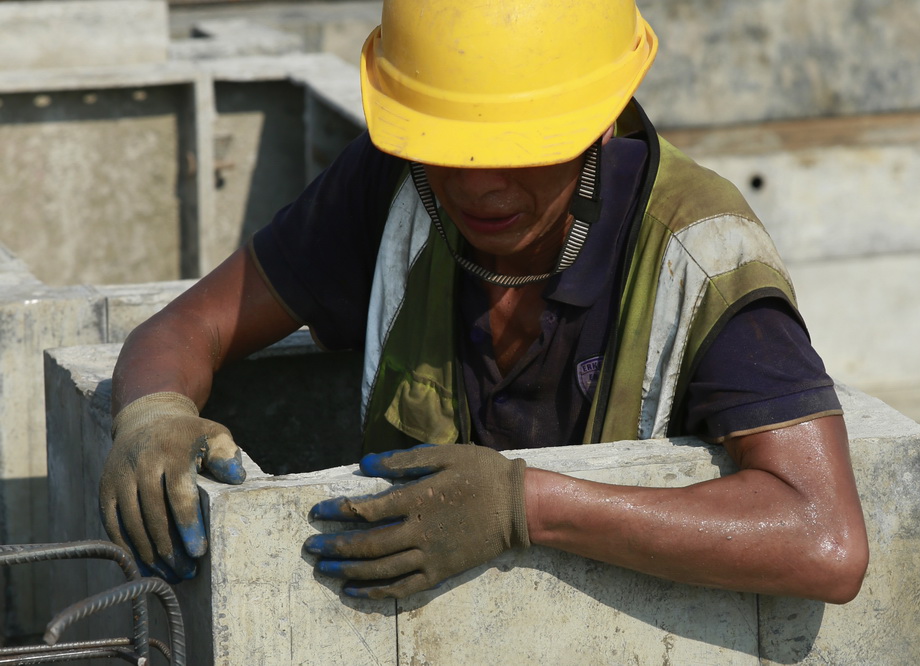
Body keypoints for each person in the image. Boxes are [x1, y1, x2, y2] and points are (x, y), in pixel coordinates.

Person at [99, 0, 869, 603]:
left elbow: (823, 540)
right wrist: (152, 414)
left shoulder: (700, 253)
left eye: (516, 149)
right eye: (445, 147)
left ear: (600, 120)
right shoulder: (393, 184)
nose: (476, 185)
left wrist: (524, 508)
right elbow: (190, 325)